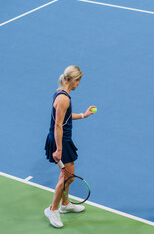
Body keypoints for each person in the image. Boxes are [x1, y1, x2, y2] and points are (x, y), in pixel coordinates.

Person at [44, 65, 95, 228]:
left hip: (63, 139)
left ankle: (65, 204)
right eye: (78, 81)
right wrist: (58, 149)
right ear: (73, 80)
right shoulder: (64, 98)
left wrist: (83, 115)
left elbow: (65, 117)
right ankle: (52, 210)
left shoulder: (61, 94)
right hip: (61, 141)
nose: (78, 84)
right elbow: (58, 125)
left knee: (68, 176)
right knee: (67, 177)